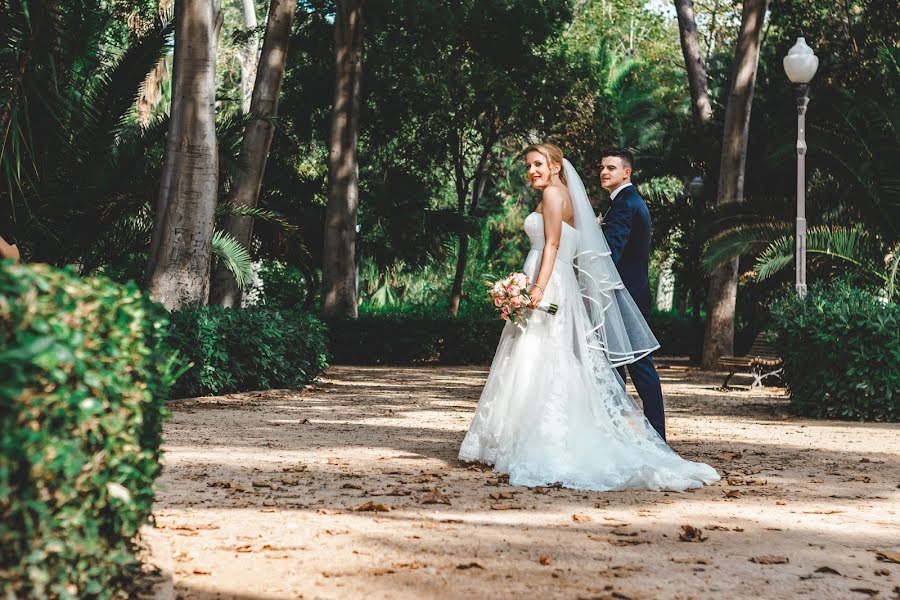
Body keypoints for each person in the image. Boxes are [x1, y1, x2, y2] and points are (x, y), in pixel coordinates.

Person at [458, 143, 719, 492]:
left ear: (554, 166)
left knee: (605, 363)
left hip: (598, 290)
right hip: (570, 284)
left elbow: (574, 247)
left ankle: (647, 435)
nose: (532, 170)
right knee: (573, 362)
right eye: (528, 165)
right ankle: (609, 427)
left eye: (538, 164)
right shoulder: (577, 198)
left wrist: (537, 287)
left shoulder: (609, 202)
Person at [599, 148, 666, 440]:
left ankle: (656, 436)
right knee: (617, 364)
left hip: (624, 298)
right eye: (602, 167)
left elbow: (610, 253)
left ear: (627, 172)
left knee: (638, 366)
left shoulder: (625, 204)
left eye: (611, 168)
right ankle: (623, 434)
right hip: (627, 294)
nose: (604, 172)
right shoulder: (625, 201)